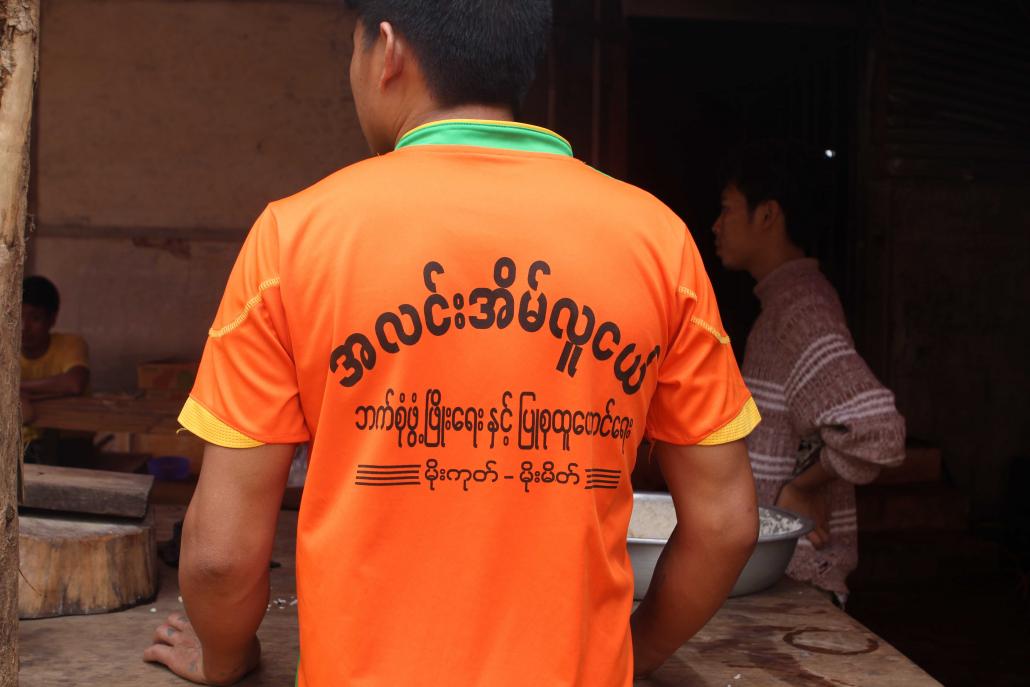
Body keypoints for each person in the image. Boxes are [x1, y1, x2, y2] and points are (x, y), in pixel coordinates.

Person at [145, 3, 759, 685]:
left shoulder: (292, 238)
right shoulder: (658, 241)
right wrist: (625, 655)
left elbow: (219, 557)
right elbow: (726, 525)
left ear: (387, 51)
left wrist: (227, 656)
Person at [712, 141, 906, 604]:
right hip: (778, 574)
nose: (715, 226)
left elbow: (877, 430)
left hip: (796, 579)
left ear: (767, 215)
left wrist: (802, 486)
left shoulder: (800, 310)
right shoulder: (785, 302)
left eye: (726, 210)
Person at [21, 275, 90, 403]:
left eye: (35, 318)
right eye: (16, 317)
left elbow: (74, 383)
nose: (24, 327)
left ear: (52, 319)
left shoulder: (71, 344)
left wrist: (15, 385)